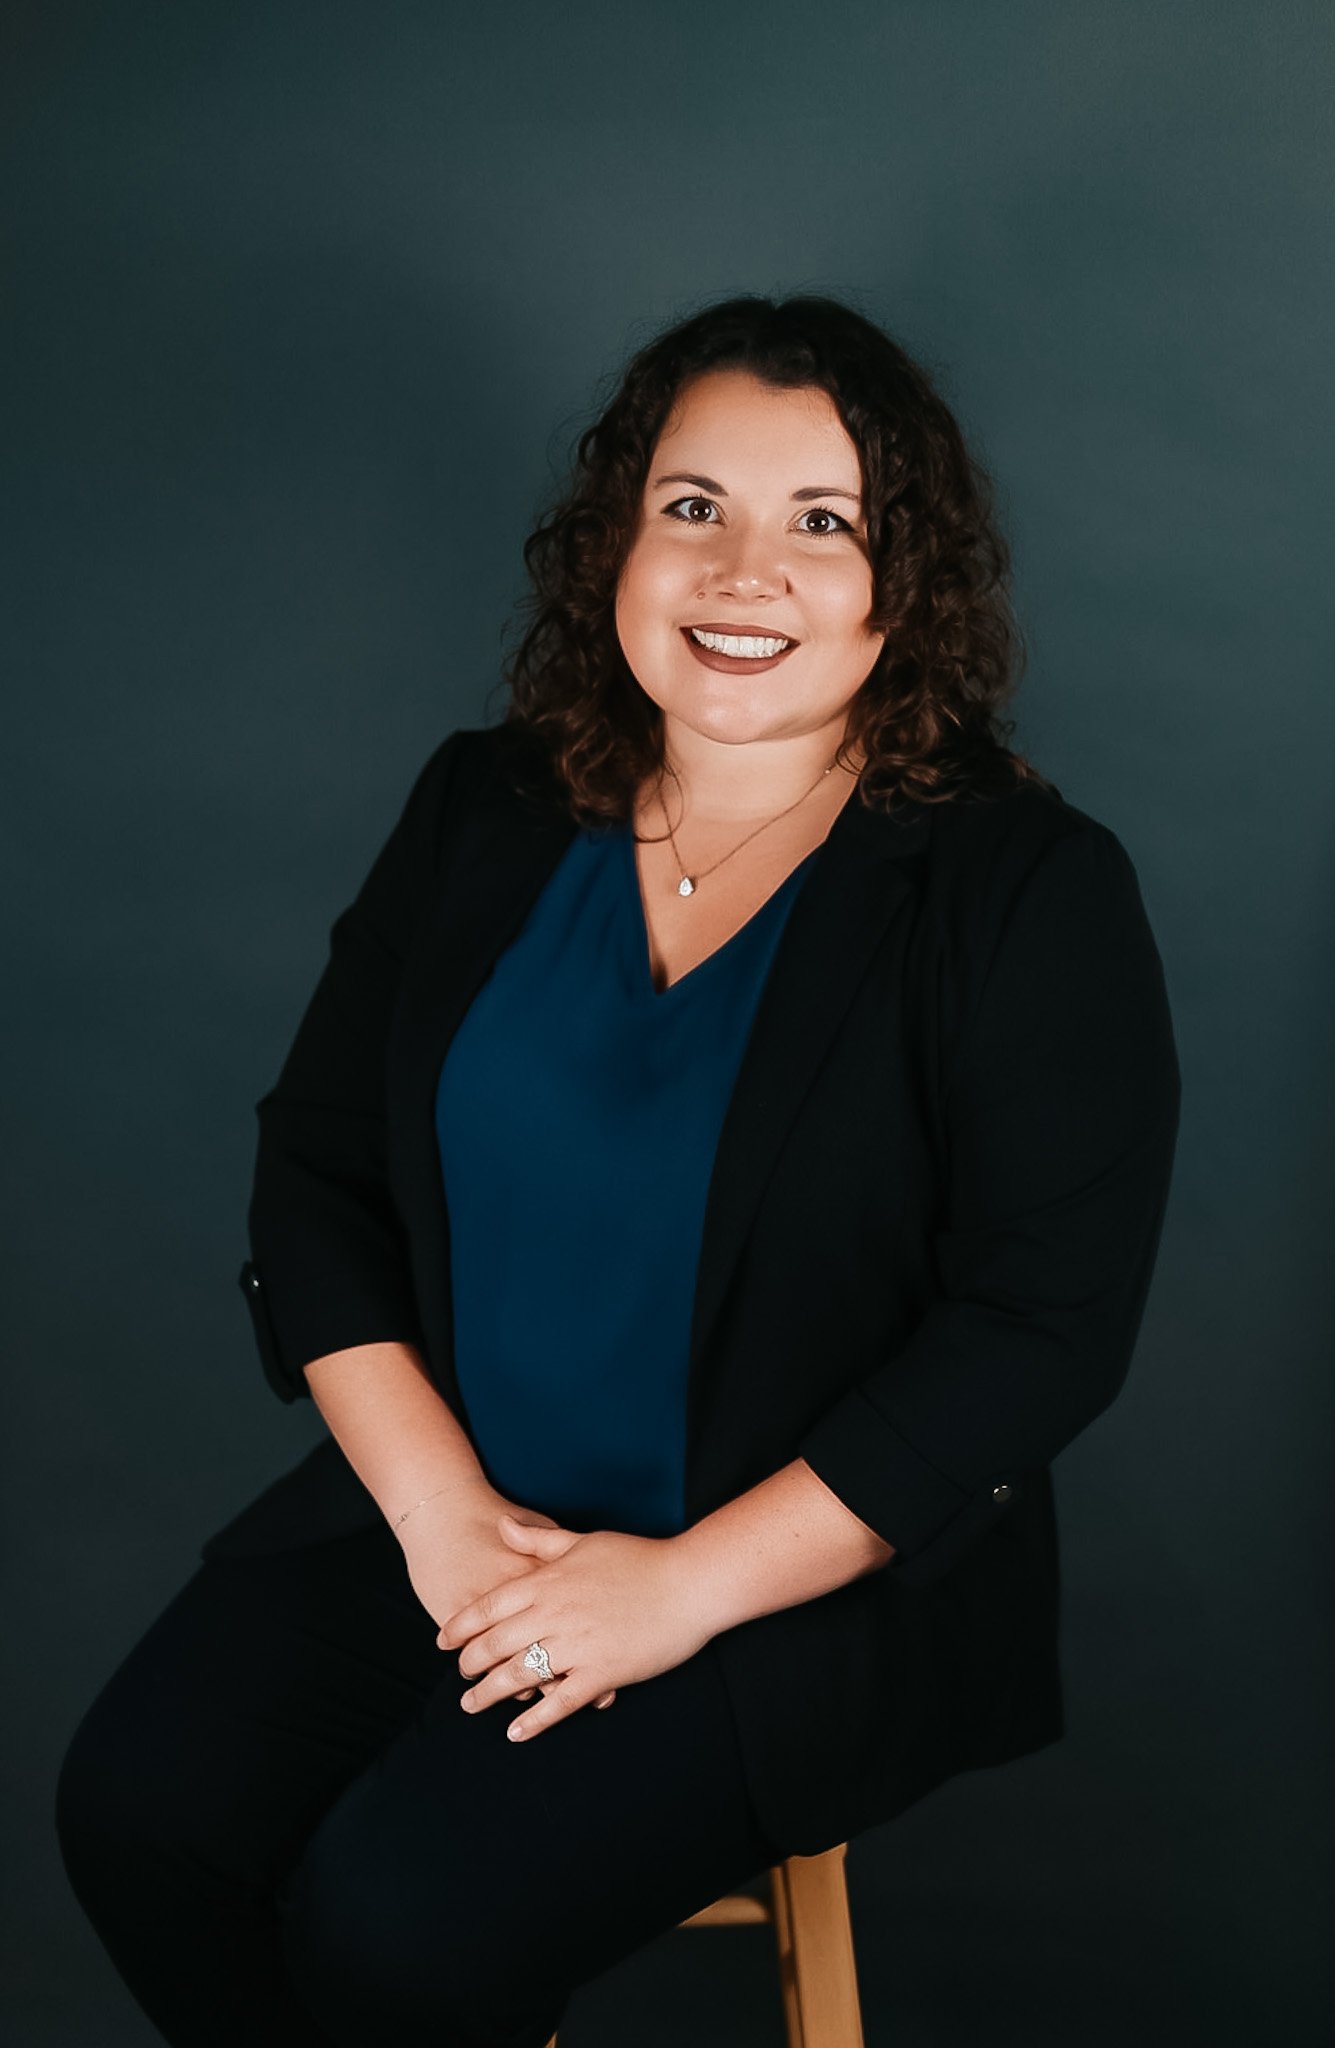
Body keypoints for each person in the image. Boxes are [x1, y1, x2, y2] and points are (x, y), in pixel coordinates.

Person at [54, 293, 1182, 2048]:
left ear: (909, 583)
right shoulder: (487, 808)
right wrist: (437, 1521)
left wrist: (670, 1593)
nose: (745, 571)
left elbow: (1043, 1326)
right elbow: (319, 1167)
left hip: (778, 1580)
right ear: (617, 542)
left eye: (824, 523)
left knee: (396, 1934)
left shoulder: (1022, 891)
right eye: (692, 507)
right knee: (140, 1817)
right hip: (456, 1515)